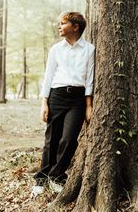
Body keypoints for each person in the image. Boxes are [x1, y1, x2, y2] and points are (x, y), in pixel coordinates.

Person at [31, 11, 95, 197]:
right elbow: (48, 76)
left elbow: (89, 79)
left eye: (63, 23)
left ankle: (57, 175)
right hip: (57, 96)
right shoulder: (56, 50)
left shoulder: (89, 50)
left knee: (68, 139)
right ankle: (42, 178)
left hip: (77, 99)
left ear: (75, 27)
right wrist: (44, 102)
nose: (59, 26)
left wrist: (88, 105)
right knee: (52, 138)